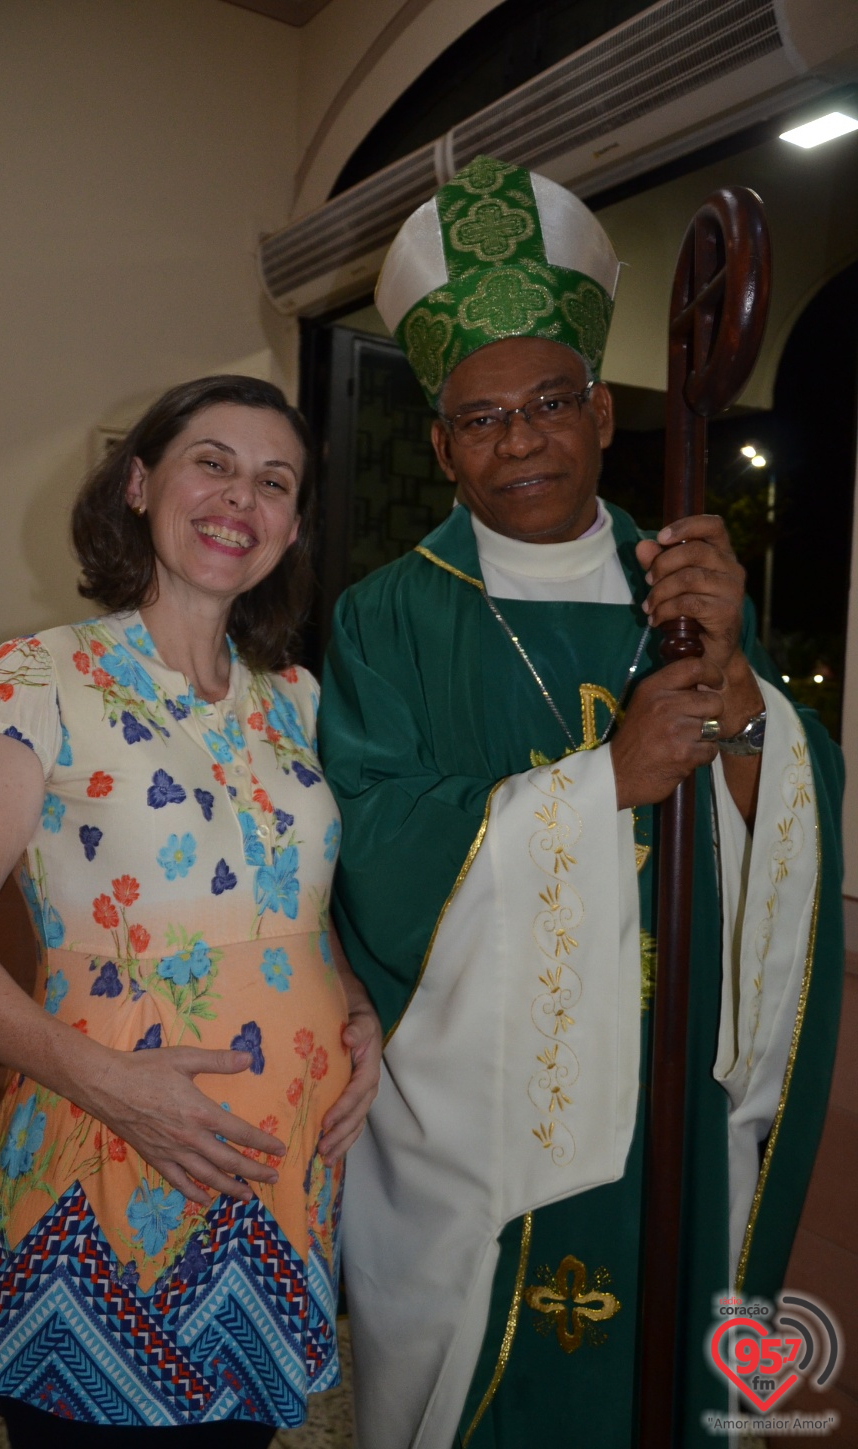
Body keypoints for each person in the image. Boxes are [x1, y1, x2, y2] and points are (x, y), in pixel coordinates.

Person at [317, 157, 844, 1448]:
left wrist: (739, 705)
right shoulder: (386, 615)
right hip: (493, 1109)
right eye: (481, 417)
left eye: (549, 401)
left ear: (603, 413)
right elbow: (375, 850)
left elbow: (790, 798)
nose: (521, 438)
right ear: (440, 443)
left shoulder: (687, 583)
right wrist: (602, 785)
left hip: (678, 1079)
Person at [0, 374, 381, 1446]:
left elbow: (301, 902)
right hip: (105, 1158)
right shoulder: (38, 679)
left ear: (292, 524)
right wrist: (108, 1083)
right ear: (138, 482)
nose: (237, 500)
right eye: (210, 462)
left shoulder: (296, 696)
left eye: (273, 481)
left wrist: (356, 1012)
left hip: (282, 1180)